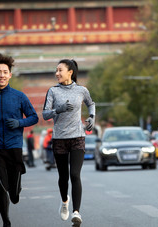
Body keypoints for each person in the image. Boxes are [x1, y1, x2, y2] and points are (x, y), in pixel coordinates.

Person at [0, 53, 39, 227]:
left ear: (10, 74)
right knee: (1, 187)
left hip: (14, 146)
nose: (2, 75)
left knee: (14, 192)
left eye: (5, 72)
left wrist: (20, 122)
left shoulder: (19, 97)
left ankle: (16, 191)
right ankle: (6, 222)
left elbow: (33, 117)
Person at [42, 59, 95, 226]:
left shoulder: (81, 90)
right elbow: (44, 114)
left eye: (60, 70)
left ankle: (76, 212)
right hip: (59, 139)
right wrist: (58, 110)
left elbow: (91, 104)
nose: (57, 73)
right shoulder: (53, 91)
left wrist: (92, 117)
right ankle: (65, 201)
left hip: (78, 137)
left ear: (70, 72)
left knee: (75, 175)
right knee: (63, 177)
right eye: (56, 70)